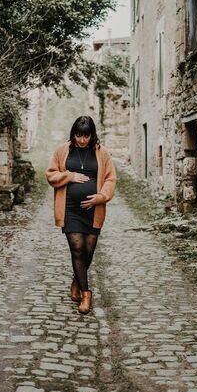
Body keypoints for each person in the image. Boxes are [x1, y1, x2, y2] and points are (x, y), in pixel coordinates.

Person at [46, 116, 116, 314]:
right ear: (73, 134)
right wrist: (69, 175)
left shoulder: (102, 153)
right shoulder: (62, 150)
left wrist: (101, 197)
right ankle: (86, 294)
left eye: (86, 136)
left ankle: (77, 280)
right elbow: (51, 174)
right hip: (70, 209)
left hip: (94, 210)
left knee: (88, 252)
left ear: (92, 135)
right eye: (78, 135)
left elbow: (111, 178)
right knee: (77, 249)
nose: (82, 140)